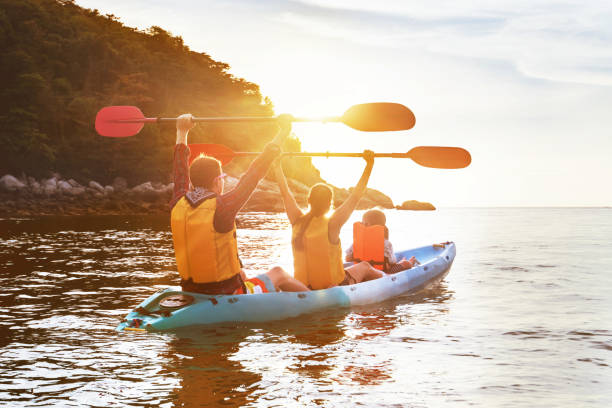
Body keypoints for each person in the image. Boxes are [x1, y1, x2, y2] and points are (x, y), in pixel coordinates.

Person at [170, 114, 310, 295]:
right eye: (222, 177)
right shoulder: (222, 207)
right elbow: (255, 173)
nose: (222, 181)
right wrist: (284, 132)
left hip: (191, 290)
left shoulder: (178, 202)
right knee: (279, 273)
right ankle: (316, 301)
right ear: (216, 181)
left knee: (242, 272)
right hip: (229, 293)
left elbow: (179, 171)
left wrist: (181, 131)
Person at [274, 151, 385, 290]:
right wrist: (369, 165)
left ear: (309, 200)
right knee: (365, 266)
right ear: (330, 204)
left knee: (354, 268)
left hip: (301, 286)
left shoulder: (296, 220)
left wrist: (277, 165)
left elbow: (285, 193)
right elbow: (356, 196)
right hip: (333, 288)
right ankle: (388, 279)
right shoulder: (333, 223)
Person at [345, 209, 418, 273]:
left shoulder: (357, 242)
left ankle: (403, 261)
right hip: (383, 272)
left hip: (361, 272)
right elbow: (392, 261)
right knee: (405, 264)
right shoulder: (386, 243)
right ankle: (410, 262)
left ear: (365, 224)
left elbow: (347, 258)